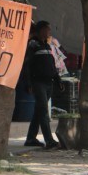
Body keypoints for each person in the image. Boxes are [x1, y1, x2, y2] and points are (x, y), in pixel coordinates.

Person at [24, 21, 60, 149]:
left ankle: (30, 138)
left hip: (48, 83)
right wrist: (29, 83)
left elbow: (52, 65)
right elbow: (27, 65)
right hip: (38, 83)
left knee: (38, 111)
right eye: (47, 29)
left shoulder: (47, 46)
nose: (49, 32)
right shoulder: (33, 44)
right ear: (41, 30)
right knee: (43, 111)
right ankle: (49, 140)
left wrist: (57, 79)